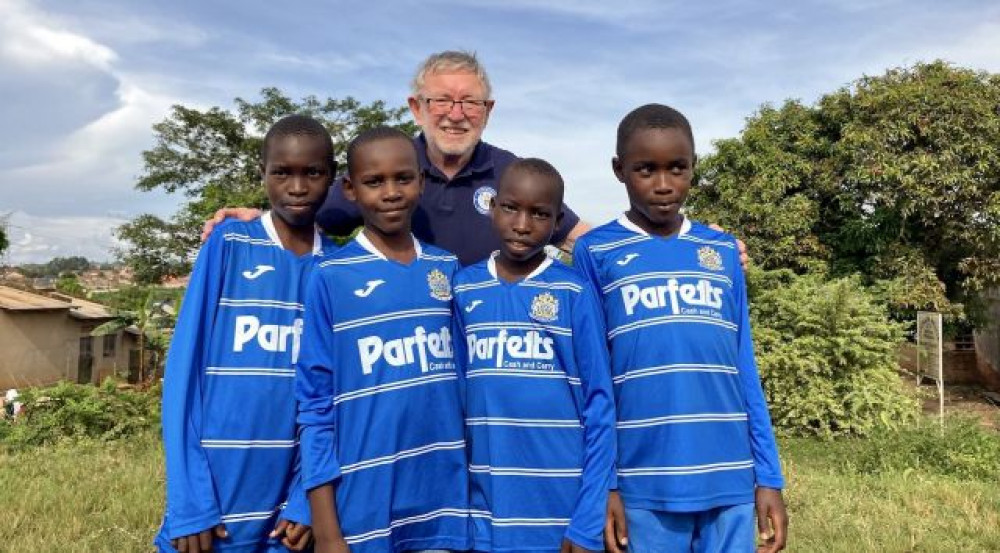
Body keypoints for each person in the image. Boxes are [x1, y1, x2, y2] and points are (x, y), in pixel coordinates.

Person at [572, 104, 788, 553]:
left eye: (678, 168)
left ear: (694, 168)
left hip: (729, 475)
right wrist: (605, 486)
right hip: (644, 481)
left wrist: (768, 476)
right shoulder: (596, 251)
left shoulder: (722, 250)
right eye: (646, 169)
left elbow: (743, 366)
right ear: (619, 170)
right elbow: (596, 380)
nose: (664, 184)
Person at [202, 50, 585, 267]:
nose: (456, 113)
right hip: (406, 343)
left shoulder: (508, 171)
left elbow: (575, 235)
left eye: (470, 101)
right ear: (417, 108)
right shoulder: (386, 170)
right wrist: (258, 218)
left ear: (488, 110)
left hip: (485, 345)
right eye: (441, 101)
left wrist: (639, 248)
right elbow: (303, 217)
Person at [155, 114, 336, 552]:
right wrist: (189, 500)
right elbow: (185, 371)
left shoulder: (339, 267)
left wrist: (307, 498)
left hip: (289, 520)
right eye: (282, 173)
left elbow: (336, 401)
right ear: (263, 175)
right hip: (216, 503)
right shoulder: (229, 244)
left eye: (312, 172)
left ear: (333, 179)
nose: (297, 187)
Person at [295, 127, 470, 553]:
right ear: (351, 189)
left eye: (403, 178)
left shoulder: (448, 270)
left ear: (421, 182)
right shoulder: (330, 276)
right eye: (375, 182)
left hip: (445, 503)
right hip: (364, 508)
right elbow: (314, 404)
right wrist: (326, 528)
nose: (391, 192)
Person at [451, 158, 616, 553]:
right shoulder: (463, 289)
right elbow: (455, 402)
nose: (522, 225)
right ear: (493, 208)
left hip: (560, 515)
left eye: (539, 214)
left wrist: (588, 518)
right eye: (510, 208)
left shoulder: (574, 293)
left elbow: (600, 405)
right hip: (484, 516)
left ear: (557, 221)